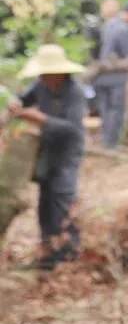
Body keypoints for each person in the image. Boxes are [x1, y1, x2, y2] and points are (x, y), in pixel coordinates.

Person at [8, 44, 88, 270]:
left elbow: (72, 129)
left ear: (59, 73)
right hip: (46, 151)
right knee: (45, 203)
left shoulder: (75, 93)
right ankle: (48, 253)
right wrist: (16, 102)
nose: (43, 78)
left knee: (62, 200)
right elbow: (22, 98)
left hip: (67, 152)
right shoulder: (40, 85)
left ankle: (68, 255)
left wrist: (41, 119)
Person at [95, 0, 128, 149]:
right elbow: (127, 54)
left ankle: (104, 140)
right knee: (116, 110)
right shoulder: (123, 29)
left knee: (105, 109)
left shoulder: (108, 25)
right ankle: (112, 143)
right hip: (116, 77)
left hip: (101, 75)